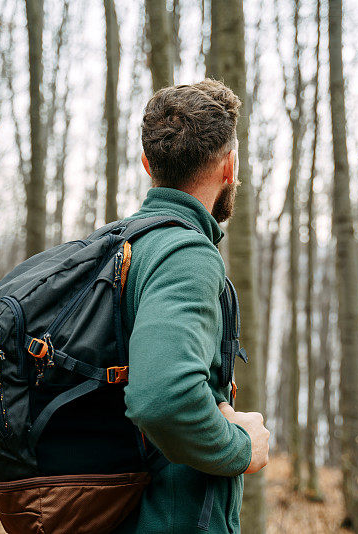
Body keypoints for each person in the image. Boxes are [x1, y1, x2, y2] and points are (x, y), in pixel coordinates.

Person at [114, 79, 270, 533]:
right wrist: (241, 446)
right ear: (229, 166)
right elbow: (162, 398)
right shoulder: (186, 254)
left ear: (148, 165)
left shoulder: (122, 244)